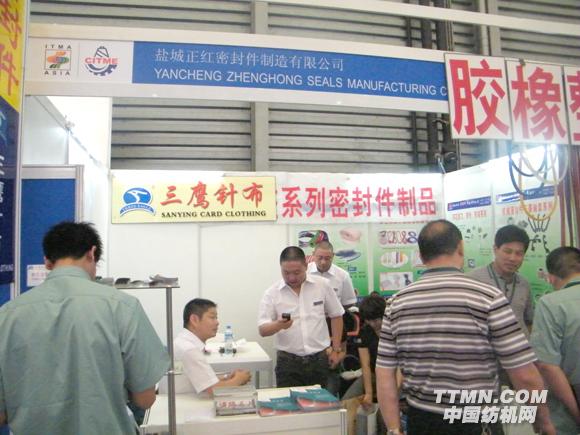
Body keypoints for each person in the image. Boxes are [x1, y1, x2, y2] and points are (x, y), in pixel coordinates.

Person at [376, 219, 554, 435]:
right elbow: (524, 374)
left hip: (421, 420)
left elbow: (384, 373)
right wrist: (544, 422)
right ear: (461, 247)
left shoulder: (396, 302)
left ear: (421, 256)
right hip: (476, 419)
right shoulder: (488, 297)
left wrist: (393, 428)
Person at [0, 221, 169, 434]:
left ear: (47, 262)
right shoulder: (122, 306)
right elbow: (145, 399)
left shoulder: (7, 315)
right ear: (92, 253)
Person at [258, 246, 344, 388]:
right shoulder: (272, 293)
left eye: (297, 272)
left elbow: (336, 315)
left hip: (320, 360)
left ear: (306, 266)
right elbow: (262, 330)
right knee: (289, 402)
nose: (291, 277)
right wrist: (278, 325)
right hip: (288, 363)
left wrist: (336, 350)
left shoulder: (322, 285)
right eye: (286, 273)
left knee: (321, 401)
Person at [530, 247, 580, 434]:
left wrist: (577, 414)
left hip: (567, 416)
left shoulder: (550, 303)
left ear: (551, 278)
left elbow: (547, 365)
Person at [174, 298, 251, 394]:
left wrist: (228, 378)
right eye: (212, 317)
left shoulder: (183, 341)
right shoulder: (190, 350)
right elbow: (212, 390)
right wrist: (239, 379)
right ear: (194, 320)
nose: (217, 322)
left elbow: (205, 382)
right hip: (185, 402)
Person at [469, 224, 533, 334]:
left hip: (518, 343)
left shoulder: (524, 284)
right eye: (507, 251)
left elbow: (529, 321)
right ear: (495, 249)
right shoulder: (473, 279)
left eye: (519, 253)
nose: (512, 258)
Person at [308, 241, 357, 308]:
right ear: (313, 254)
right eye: (320, 258)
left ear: (333, 256)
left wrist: (336, 311)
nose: (323, 262)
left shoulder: (343, 276)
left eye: (327, 258)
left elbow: (348, 302)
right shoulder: (305, 272)